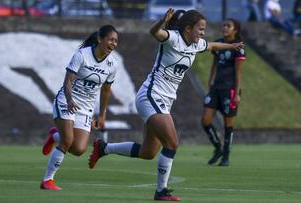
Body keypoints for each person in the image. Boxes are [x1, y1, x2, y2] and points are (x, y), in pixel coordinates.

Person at [88, 9, 244, 201]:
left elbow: (212, 45)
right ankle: (161, 191)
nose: (203, 32)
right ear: (188, 28)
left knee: (148, 152)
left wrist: (232, 46)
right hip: (151, 96)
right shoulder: (173, 38)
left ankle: (104, 148)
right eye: (200, 28)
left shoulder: (196, 44)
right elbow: (154, 32)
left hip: (164, 101)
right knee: (172, 143)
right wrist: (162, 20)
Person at [39, 24, 119, 190]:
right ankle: (47, 180)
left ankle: (55, 135)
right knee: (67, 141)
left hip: (86, 108)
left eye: (116, 41)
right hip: (66, 101)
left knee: (79, 149)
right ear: (99, 39)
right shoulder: (82, 55)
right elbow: (68, 81)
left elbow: (106, 91)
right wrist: (69, 99)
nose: (113, 44)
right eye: (110, 39)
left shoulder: (112, 64)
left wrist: (102, 115)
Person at [201, 18, 246, 167]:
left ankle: (226, 156)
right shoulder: (218, 43)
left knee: (228, 123)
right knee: (205, 121)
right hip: (215, 89)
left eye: (229, 26)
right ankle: (218, 147)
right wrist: (210, 82)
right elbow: (215, 64)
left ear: (235, 30)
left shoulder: (238, 47)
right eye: (224, 25)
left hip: (230, 90)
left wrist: (237, 93)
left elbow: (239, 73)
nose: (225, 28)